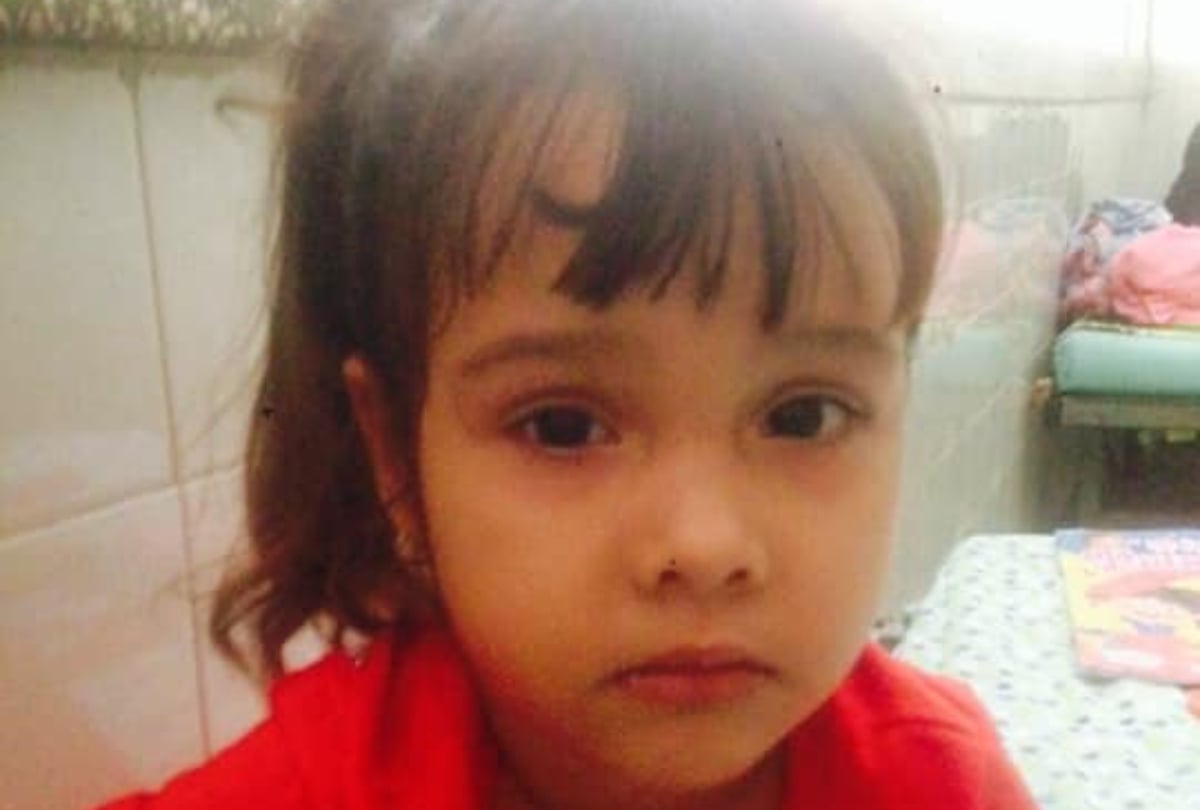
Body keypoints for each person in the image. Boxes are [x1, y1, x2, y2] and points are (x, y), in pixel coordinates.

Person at [96, 0, 1037, 808]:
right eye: (563, 426)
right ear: (394, 455)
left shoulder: (940, 786)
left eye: (805, 416)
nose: (705, 547)